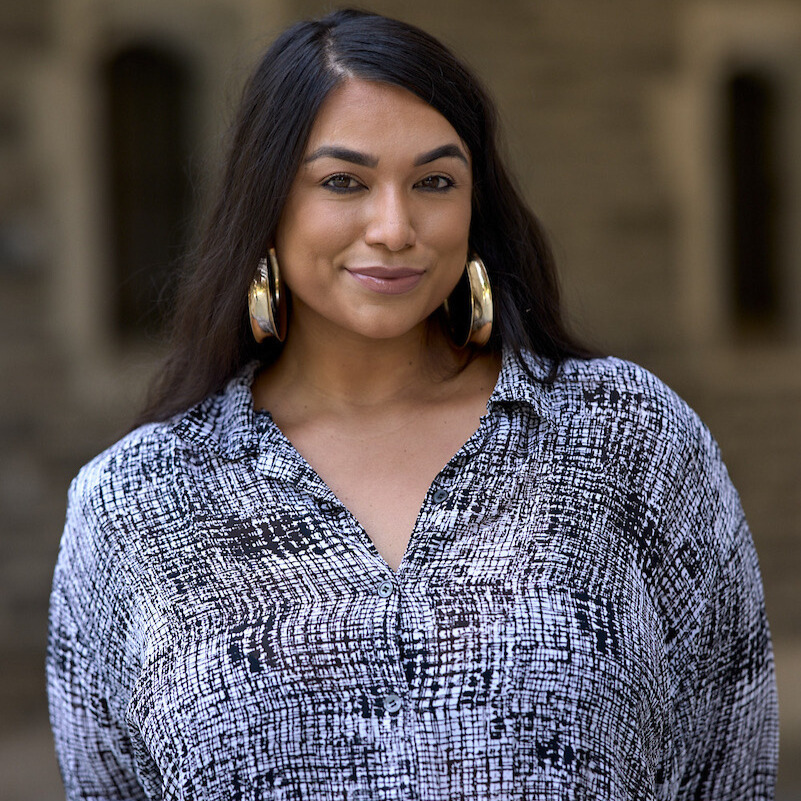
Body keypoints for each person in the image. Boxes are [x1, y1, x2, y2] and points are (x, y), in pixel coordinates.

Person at [46, 8, 778, 800]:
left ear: (474, 205)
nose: (394, 227)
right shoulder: (135, 503)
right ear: (267, 205)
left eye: (434, 181)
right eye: (342, 182)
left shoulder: (627, 437)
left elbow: (725, 760)